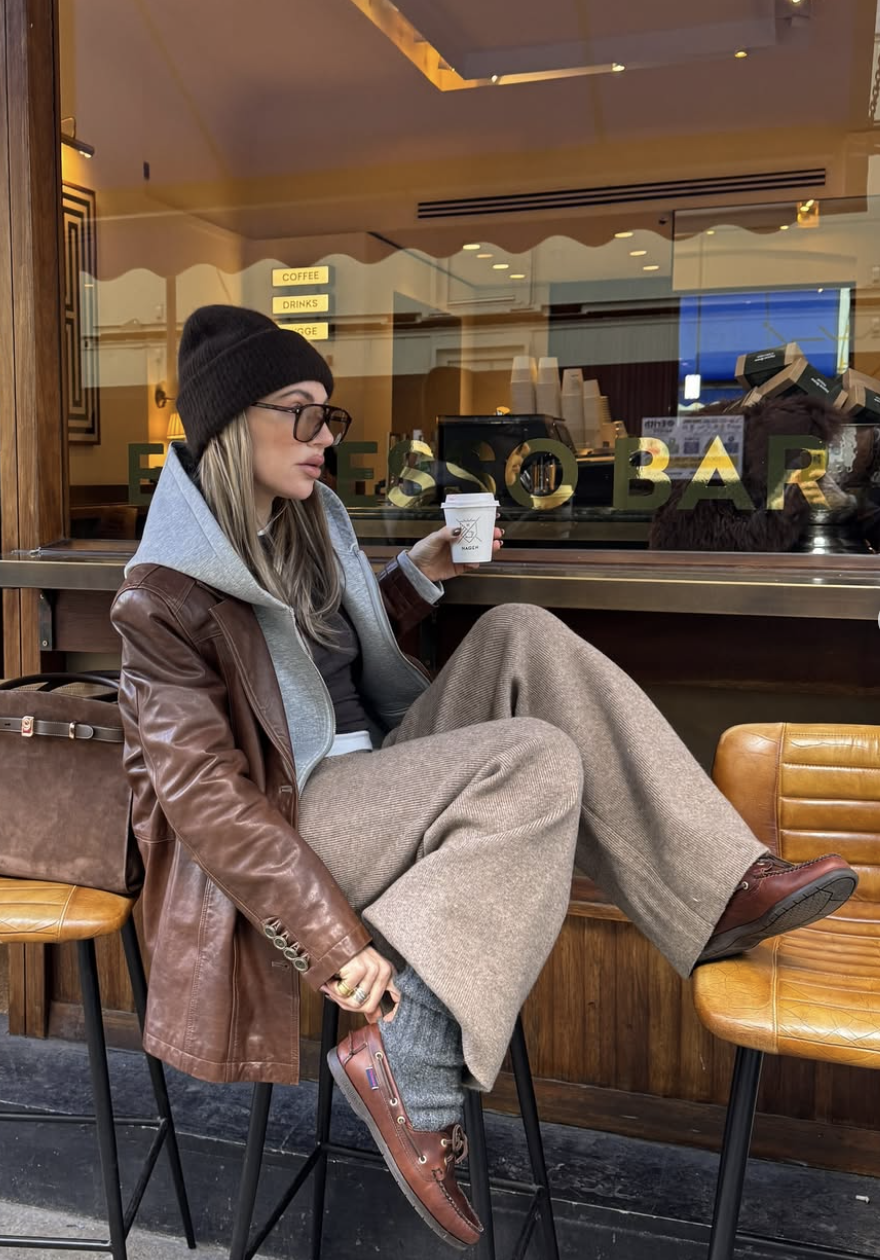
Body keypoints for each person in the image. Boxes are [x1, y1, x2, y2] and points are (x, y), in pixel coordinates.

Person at [111, 306, 858, 1250]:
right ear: (229, 424)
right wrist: (336, 943)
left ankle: (719, 888)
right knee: (533, 760)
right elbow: (209, 804)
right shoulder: (162, 591)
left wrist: (412, 579)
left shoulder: (303, 528)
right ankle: (409, 1062)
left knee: (520, 633)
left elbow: (314, 664)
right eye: (301, 413)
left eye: (329, 416)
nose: (325, 439)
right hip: (291, 828)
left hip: (372, 780)